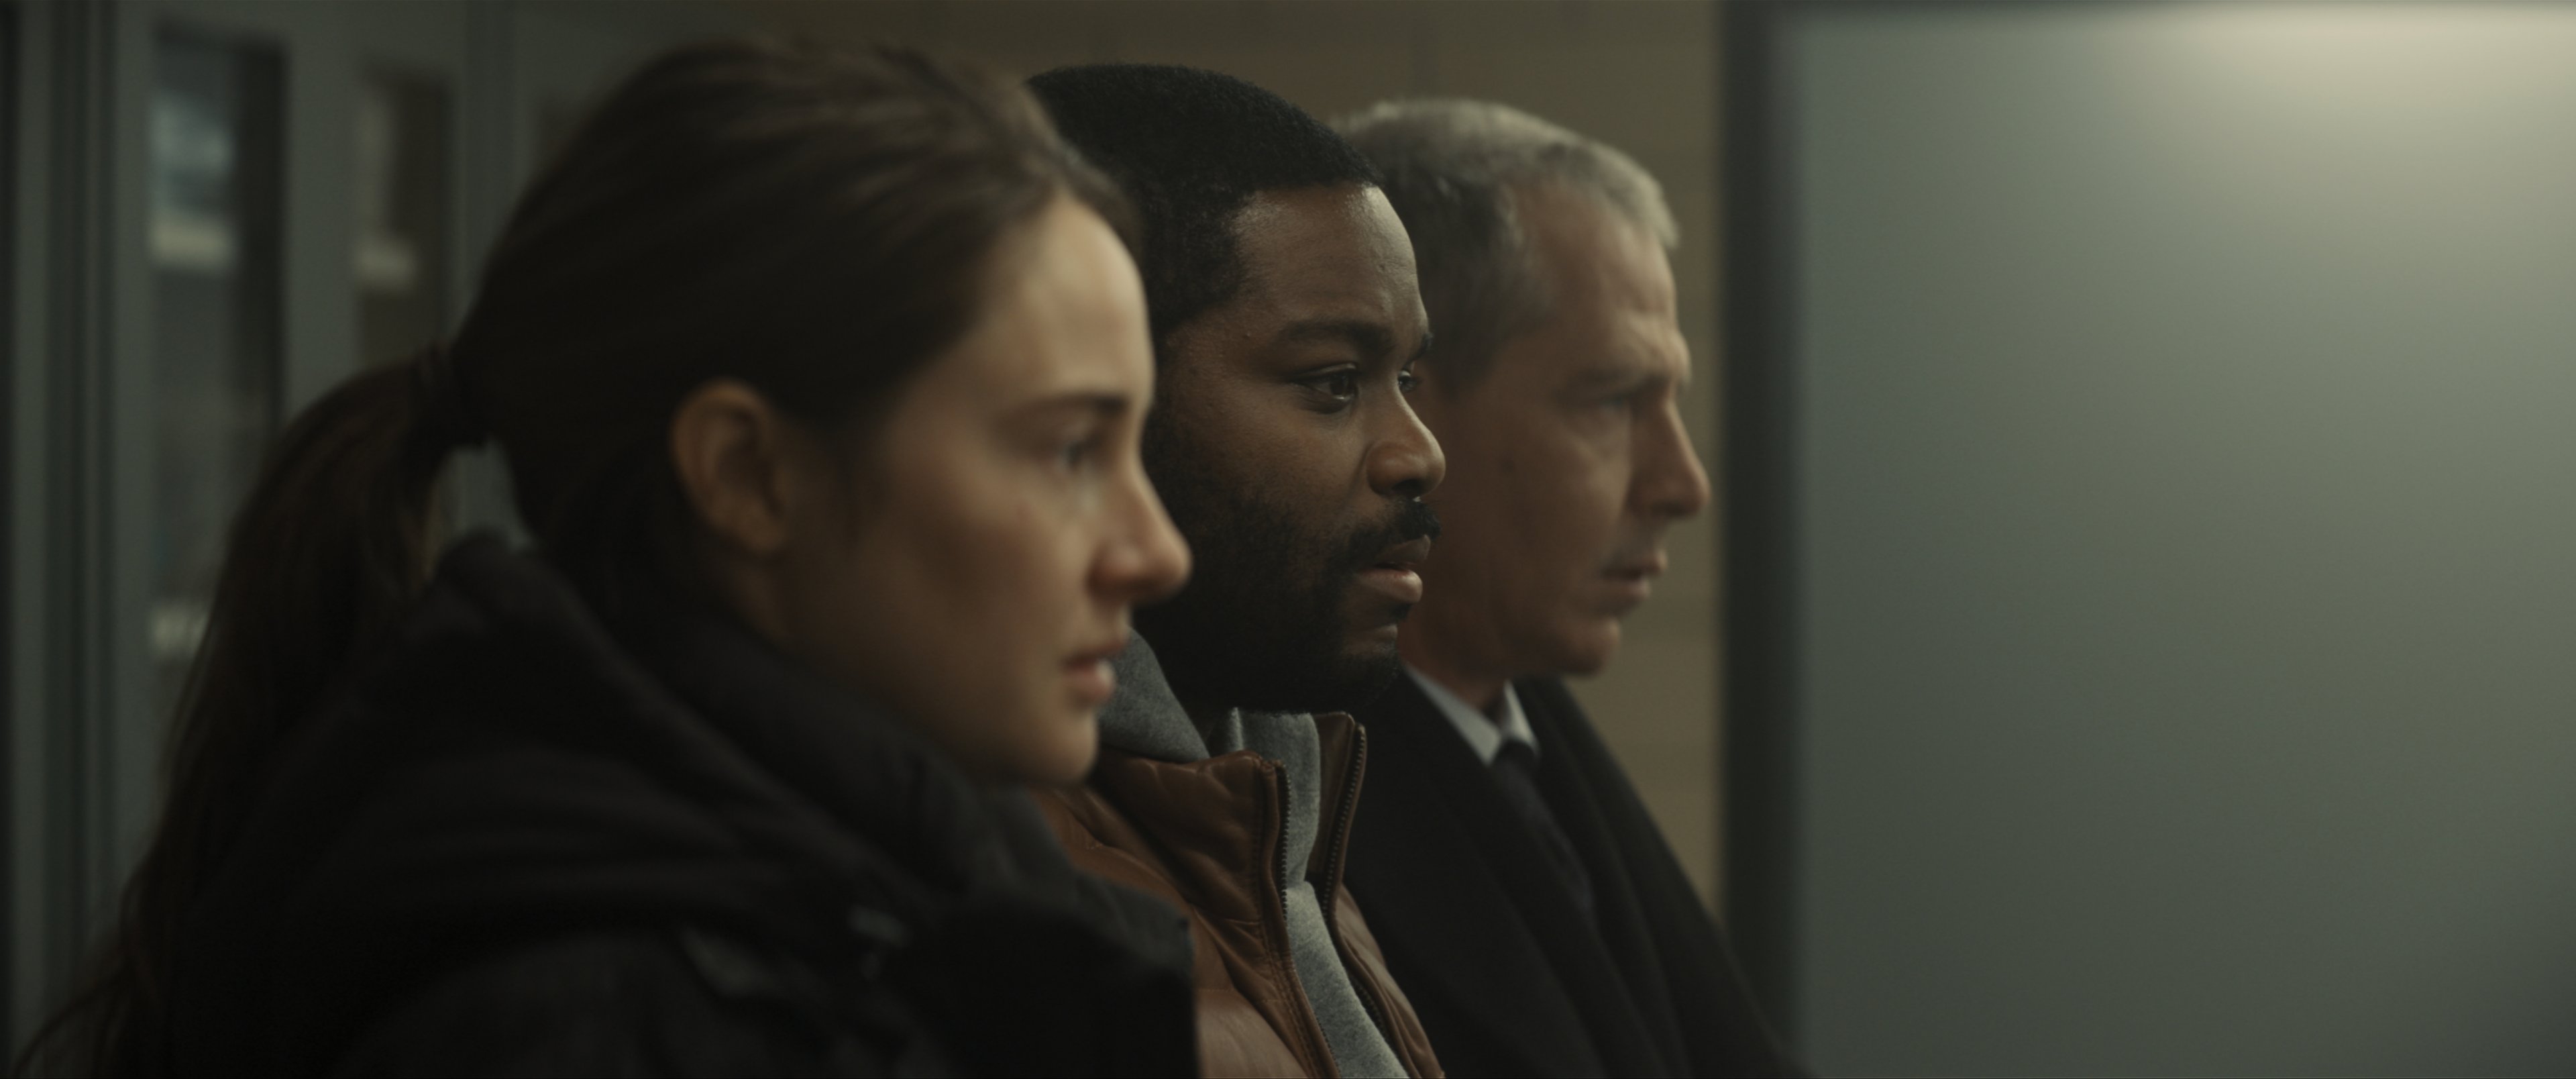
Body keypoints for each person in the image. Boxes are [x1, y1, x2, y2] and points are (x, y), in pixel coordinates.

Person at [18, 38, 1199, 1076]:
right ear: (748, 475)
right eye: (1069, 450)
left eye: (1134, 448)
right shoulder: (597, 1025)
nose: (1156, 553)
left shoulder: (903, 904)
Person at [1332, 99, 1799, 1078]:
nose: (1683, 484)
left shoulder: (1523, 738)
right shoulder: (1292, 817)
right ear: (1408, 400)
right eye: (1613, 401)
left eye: (1669, 400)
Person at [1021, 64, 1448, 1078]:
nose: (1420, 452)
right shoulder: (1014, 880)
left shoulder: (1271, 800)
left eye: (1406, 377)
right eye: (1333, 383)